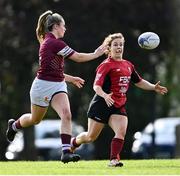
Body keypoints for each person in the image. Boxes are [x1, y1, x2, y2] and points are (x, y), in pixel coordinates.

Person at [6, 10, 106, 163]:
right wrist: (96, 54)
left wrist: (70, 79)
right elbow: (78, 57)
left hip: (58, 85)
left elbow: (56, 72)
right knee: (35, 119)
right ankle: (14, 125)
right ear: (56, 26)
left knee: (66, 114)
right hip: (42, 86)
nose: (65, 29)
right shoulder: (53, 43)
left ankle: (65, 152)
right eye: (63, 26)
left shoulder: (51, 42)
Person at [70, 33, 168, 167]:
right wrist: (105, 96)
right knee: (90, 137)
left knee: (121, 131)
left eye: (121, 45)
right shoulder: (105, 65)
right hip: (101, 104)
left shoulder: (128, 65)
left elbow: (138, 81)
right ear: (109, 48)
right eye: (115, 45)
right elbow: (96, 86)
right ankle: (74, 142)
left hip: (118, 105)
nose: (119, 47)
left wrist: (153, 87)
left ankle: (113, 160)